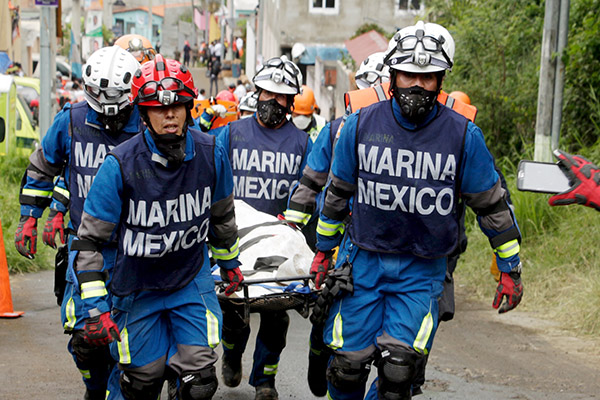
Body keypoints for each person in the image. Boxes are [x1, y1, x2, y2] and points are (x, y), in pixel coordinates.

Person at [311, 21, 523, 399]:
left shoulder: (463, 136)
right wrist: (323, 253)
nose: (417, 85)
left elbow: (491, 205)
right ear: (393, 74)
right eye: (409, 73)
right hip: (362, 263)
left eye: (428, 76)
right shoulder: (359, 126)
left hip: (422, 270)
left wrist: (509, 268)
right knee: (346, 370)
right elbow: (336, 194)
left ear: (441, 79)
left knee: (398, 375)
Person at [69, 54, 243, 399]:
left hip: (189, 280)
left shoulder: (212, 154)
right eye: (158, 108)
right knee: (141, 383)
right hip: (137, 286)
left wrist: (231, 265)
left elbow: (222, 217)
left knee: (200, 384)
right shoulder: (119, 165)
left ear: (189, 107)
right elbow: (88, 243)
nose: (170, 115)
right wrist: (97, 306)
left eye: (177, 106)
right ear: (143, 114)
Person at [14, 45, 143, 400]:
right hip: (85, 247)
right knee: (85, 339)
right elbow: (43, 168)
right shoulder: (71, 120)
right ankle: (94, 386)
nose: (111, 122)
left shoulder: (149, 122)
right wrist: (29, 218)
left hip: (137, 248)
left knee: (132, 343)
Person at [211, 56, 312, 400]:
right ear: (257, 92)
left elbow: (310, 189)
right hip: (236, 242)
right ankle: (232, 353)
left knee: (276, 319)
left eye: (281, 96)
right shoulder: (231, 134)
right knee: (234, 313)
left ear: (291, 101)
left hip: (278, 247)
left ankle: (265, 381)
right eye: (268, 92)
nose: (273, 101)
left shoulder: (301, 144)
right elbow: (210, 178)